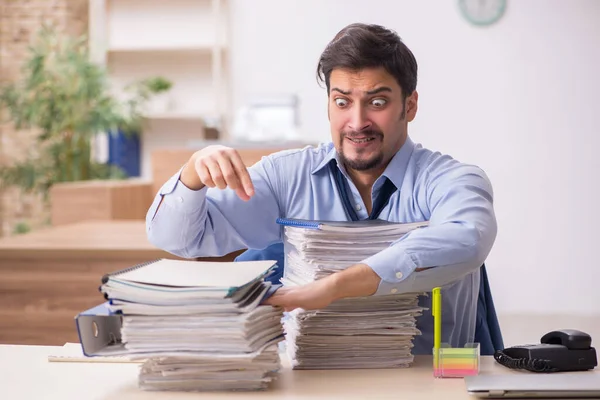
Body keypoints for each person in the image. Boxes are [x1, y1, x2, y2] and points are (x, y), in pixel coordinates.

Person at [146, 23, 499, 355]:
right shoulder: (286, 176)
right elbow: (182, 240)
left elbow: (467, 238)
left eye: (377, 102)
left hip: (423, 383)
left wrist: (335, 287)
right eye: (342, 102)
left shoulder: (454, 179)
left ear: (409, 105)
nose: (357, 122)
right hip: (312, 380)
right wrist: (192, 175)